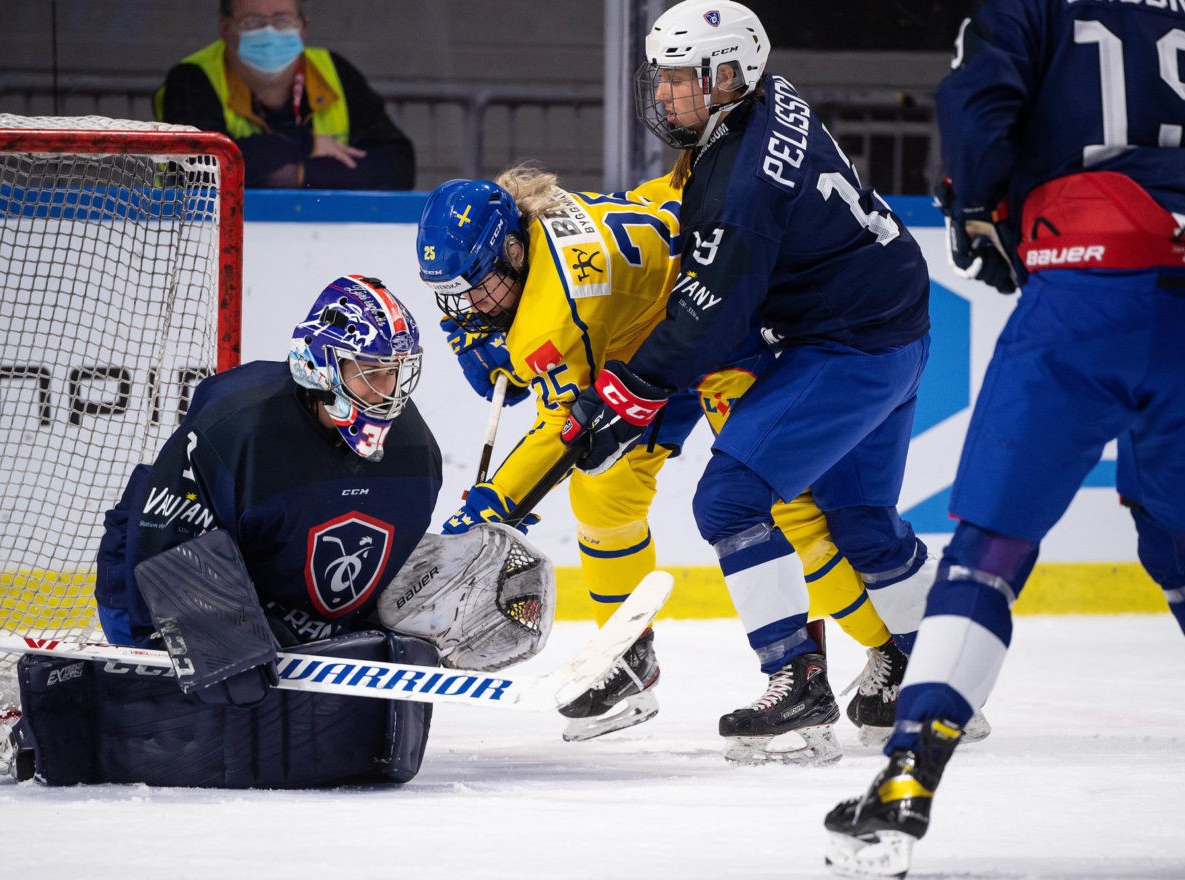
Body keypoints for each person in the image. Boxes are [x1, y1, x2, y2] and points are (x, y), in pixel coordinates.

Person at [554, 0, 972, 763]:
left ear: (730, 75)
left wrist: (628, 386)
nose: (665, 95)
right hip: (891, 328)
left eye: (683, 78)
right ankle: (942, 677)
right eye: (665, 77)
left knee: (729, 498)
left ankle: (796, 679)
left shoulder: (741, 178)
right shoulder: (766, 102)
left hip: (851, 347)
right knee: (863, 521)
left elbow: (712, 310)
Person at [825, 0, 1185, 874]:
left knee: (988, 549)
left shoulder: (1030, 4)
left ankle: (909, 770)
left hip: (1086, 281)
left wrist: (976, 205)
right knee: (1175, 537)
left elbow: (978, 103)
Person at [416, 164, 922, 758]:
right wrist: (482, 327)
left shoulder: (554, 311)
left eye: (476, 288)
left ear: (509, 251)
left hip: (723, 338)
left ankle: (886, 656)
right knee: (601, 493)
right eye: (452, 295)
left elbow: (561, 428)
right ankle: (627, 659)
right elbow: (659, 198)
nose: (469, 306)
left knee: (787, 511)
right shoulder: (537, 224)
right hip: (647, 356)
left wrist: (492, 504)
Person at [0, 276, 445, 788]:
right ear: (322, 365)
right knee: (217, 703)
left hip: (283, 599)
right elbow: (159, 536)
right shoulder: (237, 427)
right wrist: (214, 629)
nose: (388, 393)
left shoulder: (415, 453)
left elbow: (380, 568)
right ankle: (56, 729)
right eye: (371, 373)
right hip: (149, 574)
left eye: (396, 374)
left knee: (300, 727)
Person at [155, 0, 415, 190]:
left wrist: (299, 175)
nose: (269, 32)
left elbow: (398, 167)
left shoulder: (333, 71)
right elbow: (197, 171)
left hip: (322, 232)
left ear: (303, 27)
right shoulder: (193, 77)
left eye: (282, 20)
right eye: (252, 22)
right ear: (225, 27)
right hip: (206, 236)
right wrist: (304, 143)